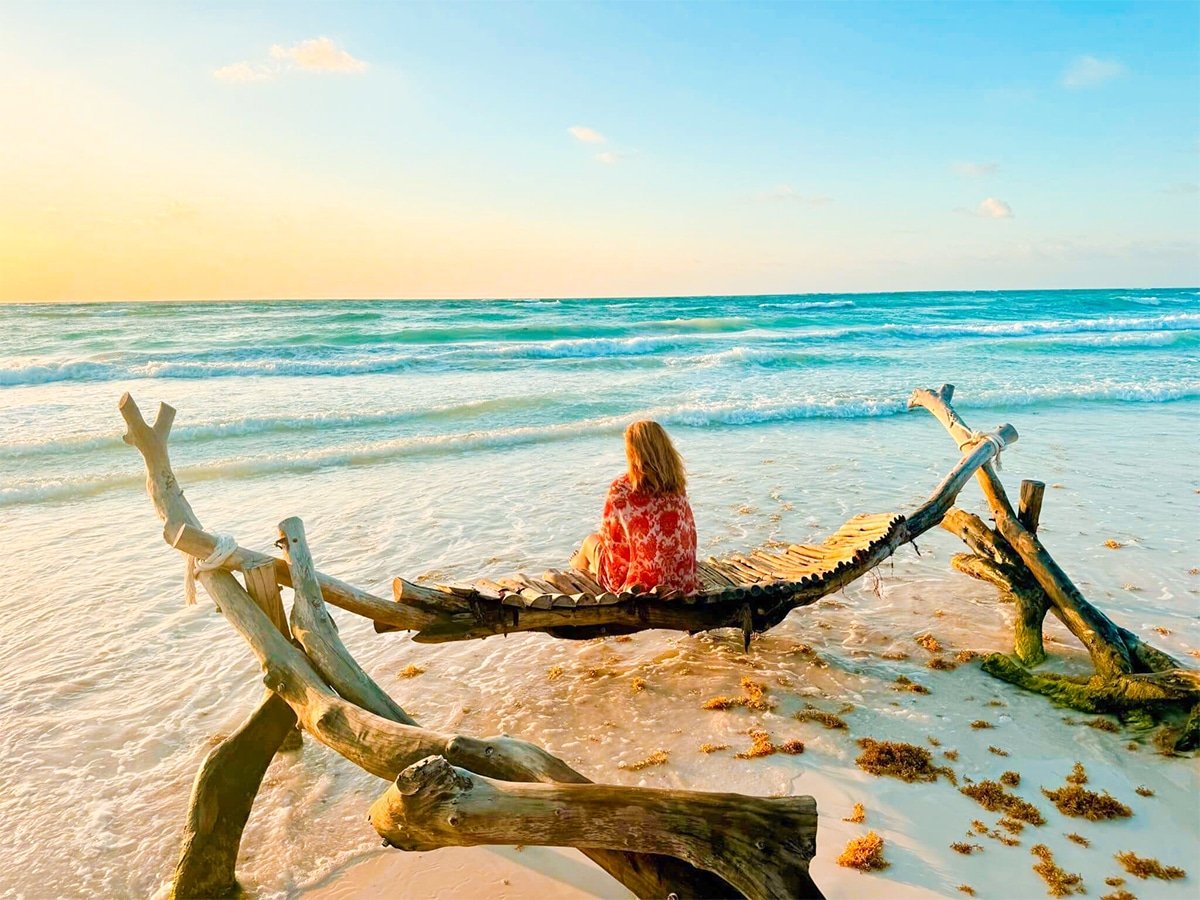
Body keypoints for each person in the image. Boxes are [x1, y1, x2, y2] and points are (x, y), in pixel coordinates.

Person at [570, 420, 699, 594]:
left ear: (633, 452)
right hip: (680, 579)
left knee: (589, 542)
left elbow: (611, 541)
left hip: (642, 585)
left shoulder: (622, 487)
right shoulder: (677, 485)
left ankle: (575, 575)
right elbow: (689, 533)